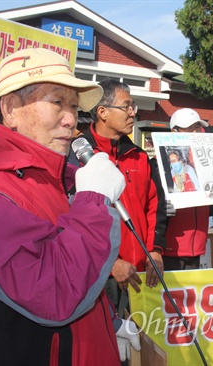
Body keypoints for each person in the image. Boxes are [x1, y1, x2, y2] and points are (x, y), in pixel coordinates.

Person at [0, 48, 129, 364]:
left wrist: (110, 321)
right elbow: (54, 293)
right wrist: (94, 201)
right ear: (12, 108)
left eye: (73, 105)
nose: (71, 120)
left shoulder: (56, 177)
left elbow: (75, 262)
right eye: (57, 102)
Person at [71, 79, 166, 316]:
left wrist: (154, 250)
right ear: (102, 112)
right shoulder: (78, 159)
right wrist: (111, 264)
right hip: (101, 278)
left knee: (143, 345)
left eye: (133, 106)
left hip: (143, 273)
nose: (133, 113)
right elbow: (72, 222)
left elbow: (155, 205)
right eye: (126, 107)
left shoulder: (140, 157)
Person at [163, 108, 213, 270]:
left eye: (197, 128)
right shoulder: (159, 165)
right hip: (171, 249)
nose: (195, 132)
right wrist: (162, 209)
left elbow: (212, 206)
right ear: (174, 131)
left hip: (197, 247)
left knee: (190, 296)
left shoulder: (200, 167)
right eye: (189, 128)